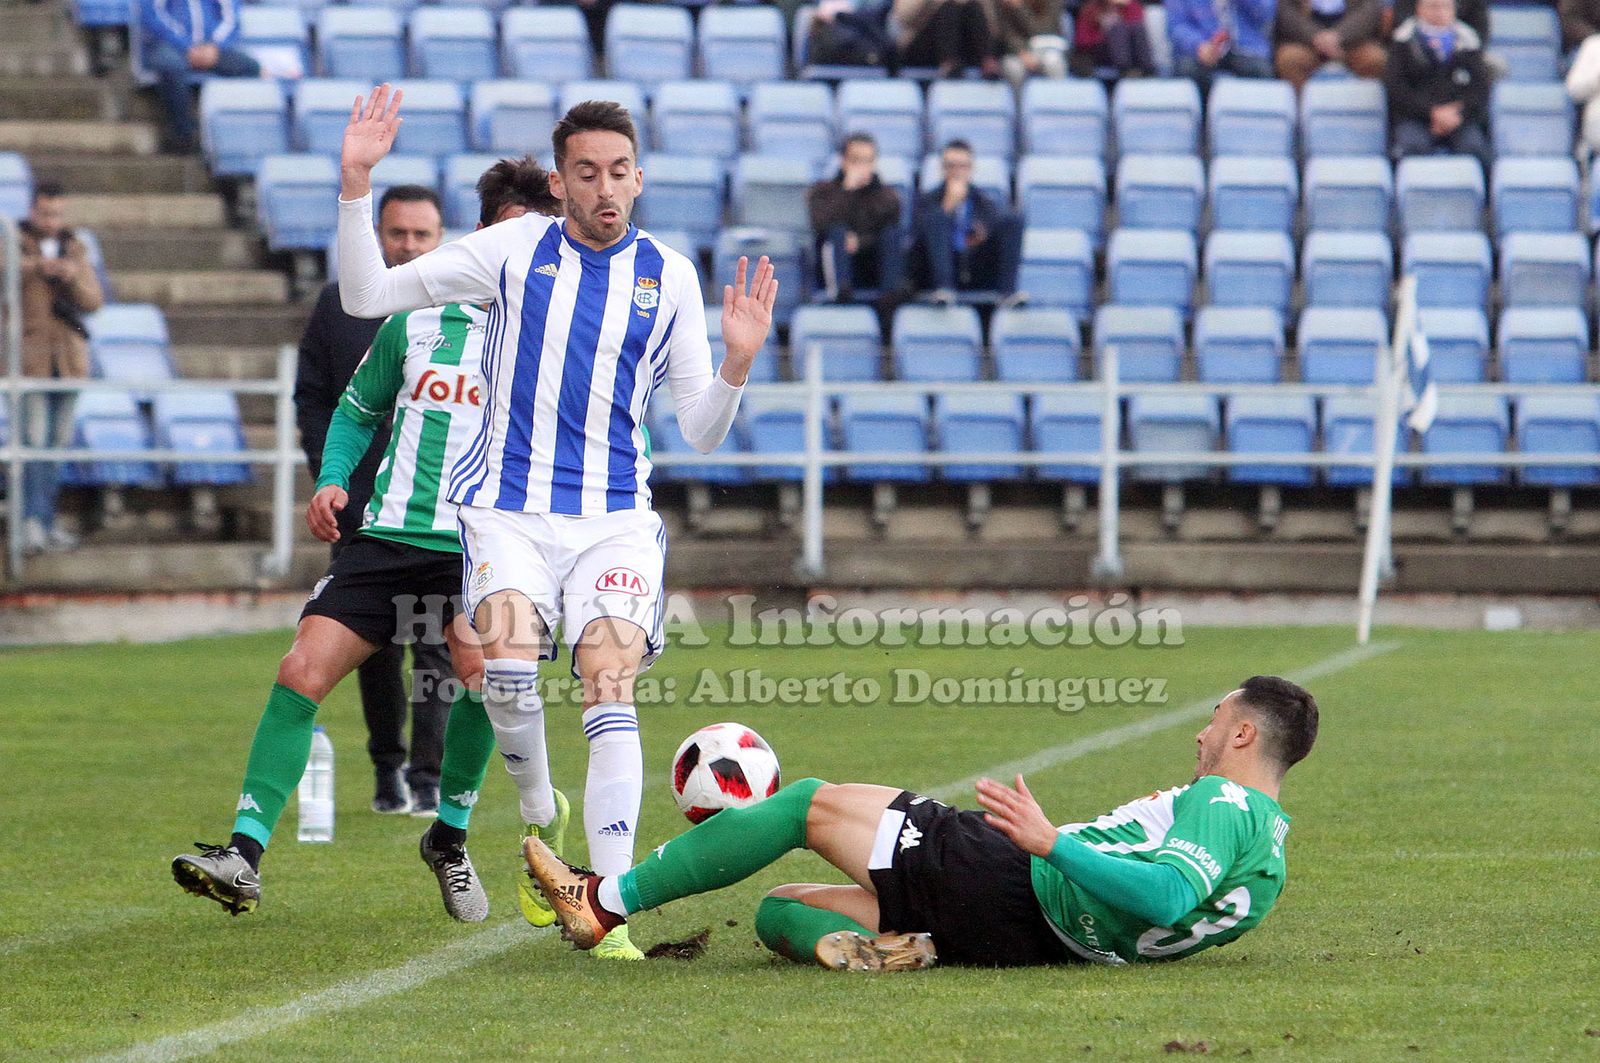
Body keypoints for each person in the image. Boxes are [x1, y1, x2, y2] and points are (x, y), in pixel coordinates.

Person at [334, 88, 777, 960]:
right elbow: (365, 292)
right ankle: (542, 811)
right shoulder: (510, 249)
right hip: (505, 509)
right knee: (504, 669)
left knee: (608, 683)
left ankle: (605, 910)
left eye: (619, 171)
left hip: (613, 519)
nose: (605, 187)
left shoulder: (670, 276)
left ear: (638, 177)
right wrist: (356, 181)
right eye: (586, 172)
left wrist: (735, 362)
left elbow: (699, 427)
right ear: (560, 180)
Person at [171, 157, 563, 923]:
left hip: (488, 543)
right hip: (386, 534)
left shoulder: (558, 336)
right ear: (486, 236)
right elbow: (354, 407)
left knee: (481, 668)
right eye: (515, 236)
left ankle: (447, 835)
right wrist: (331, 478)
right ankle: (243, 855)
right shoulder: (416, 318)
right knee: (300, 669)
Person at [526, 676, 1318, 971]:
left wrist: (1049, 840)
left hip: (1014, 876)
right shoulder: (1271, 861)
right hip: (1027, 941)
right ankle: (878, 951)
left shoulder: (1226, 801)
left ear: (1244, 734)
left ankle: (603, 899)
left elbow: (1167, 897)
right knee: (779, 910)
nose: (1202, 734)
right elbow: (1173, 917)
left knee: (806, 801)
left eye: (1214, 720)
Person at [295, 184, 453, 817]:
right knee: (373, 645)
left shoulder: (463, 305)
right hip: (361, 506)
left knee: (438, 643)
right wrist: (330, 476)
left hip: (440, 513)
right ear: (378, 235)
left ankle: (428, 776)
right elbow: (314, 398)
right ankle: (386, 768)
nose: (409, 245)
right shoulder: (339, 307)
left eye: (422, 234)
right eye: (398, 233)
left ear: (441, 238)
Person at [18, 182, 104, 556]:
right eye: (45, 213)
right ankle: (28, 524)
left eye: (57, 213)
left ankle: (46, 522)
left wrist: (71, 275)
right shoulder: (12, 242)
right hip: (29, 362)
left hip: (68, 361)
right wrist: (38, 267)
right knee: (33, 446)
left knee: (55, 448)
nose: (52, 221)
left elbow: (94, 301)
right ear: (32, 212)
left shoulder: (76, 247)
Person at [911, 140, 1025, 306]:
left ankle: (1007, 292)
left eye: (962, 166)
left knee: (1013, 220)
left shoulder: (985, 202)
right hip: (935, 271)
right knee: (936, 217)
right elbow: (917, 236)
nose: (957, 172)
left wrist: (980, 234)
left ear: (971, 169)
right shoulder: (926, 200)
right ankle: (944, 288)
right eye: (951, 166)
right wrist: (948, 206)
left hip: (974, 265)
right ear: (942, 168)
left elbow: (989, 228)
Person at [138, 0, 261, 153]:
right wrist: (186, 45)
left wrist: (214, 46)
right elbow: (152, 15)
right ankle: (182, 136)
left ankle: (238, 141)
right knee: (171, 67)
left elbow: (231, 17)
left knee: (251, 67)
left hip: (212, 48)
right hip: (171, 45)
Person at [1386, 0, 1492, 172]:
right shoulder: (1403, 42)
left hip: (1460, 119)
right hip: (1416, 118)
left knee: (1474, 149)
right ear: (1419, 9)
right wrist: (1431, 113)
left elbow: (1480, 88)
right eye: (1433, 6)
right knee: (1409, 148)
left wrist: (1459, 113)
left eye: (1444, 6)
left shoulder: (1469, 42)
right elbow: (1397, 88)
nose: (1439, 12)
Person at [807, 133, 905, 304]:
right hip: (835, 264)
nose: (862, 166)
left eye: (867, 160)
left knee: (891, 234)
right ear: (843, 161)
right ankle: (841, 294)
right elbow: (820, 225)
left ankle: (890, 299)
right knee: (837, 232)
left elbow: (889, 227)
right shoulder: (822, 191)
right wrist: (847, 191)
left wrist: (859, 241)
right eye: (856, 160)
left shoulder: (886, 195)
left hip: (871, 264)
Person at [1274, 0, 1387, 87]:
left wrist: (1338, 36)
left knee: (1376, 59)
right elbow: (1286, 13)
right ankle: (1300, 114)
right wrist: (1316, 37)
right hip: (1307, 43)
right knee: (1288, 59)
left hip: (1352, 42)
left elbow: (1369, 11)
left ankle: (1364, 113)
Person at [1167, 0, 1277, 89]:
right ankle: (1204, 116)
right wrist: (1198, 46)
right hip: (1201, 50)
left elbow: (1267, 14)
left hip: (1245, 49)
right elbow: (1176, 26)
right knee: (1188, 70)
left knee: (1260, 70)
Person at [893, 0, 997, 78]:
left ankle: (988, 62)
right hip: (921, 46)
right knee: (948, 7)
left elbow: (994, 28)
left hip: (964, 46)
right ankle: (948, 63)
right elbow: (903, 17)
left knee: (973, 6)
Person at [1068, 0, 1157, 79]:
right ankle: (1125, 70)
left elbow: (1137, 30)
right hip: (1101, 53)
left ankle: (1148, 70)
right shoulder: (1091, 8)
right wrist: (1104, 29)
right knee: (1117, 29)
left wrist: (1122, 12)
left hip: (1132, 53)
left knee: (1135, 28)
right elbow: (1082, 42)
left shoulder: (1131, 6)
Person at [989, 0, 1069, 82]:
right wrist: (1020, 51)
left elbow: (1040, 31)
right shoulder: (1006, 4)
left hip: (1046, 48)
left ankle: (1056, 94)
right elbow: (1008, 34)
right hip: (1017, 52)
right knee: (1013, 67)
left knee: (1054, 62)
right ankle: (1018, 95)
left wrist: (1019, 8)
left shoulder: (1054, 3)